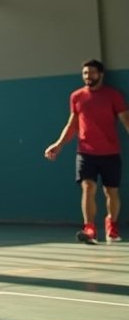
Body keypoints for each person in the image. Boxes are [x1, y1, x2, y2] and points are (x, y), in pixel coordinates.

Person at [45, 59, 129, 244]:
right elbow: (72, 124)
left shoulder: (114, 95)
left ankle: (111, 226)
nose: (87, 76)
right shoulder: (76, 96)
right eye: (84, 73)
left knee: (111, 192)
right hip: (85, 152)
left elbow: (126, 121)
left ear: (100, 74)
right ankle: (89, 228)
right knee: (88, 188)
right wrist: (58, 144)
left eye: (91, 73)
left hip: (110, 153)